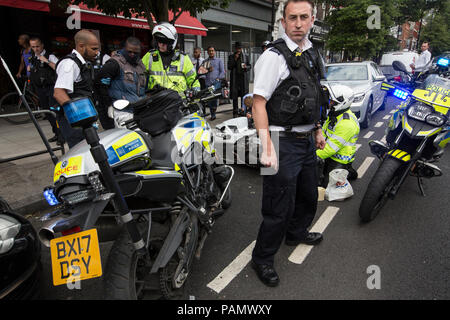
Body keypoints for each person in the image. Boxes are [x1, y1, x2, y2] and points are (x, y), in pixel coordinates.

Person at [250, 0, 327, 287]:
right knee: (277, 207)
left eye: (303, 17)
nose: (297, 23)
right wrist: (266, 146)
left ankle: (296, 233)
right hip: (281, 140)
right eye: (292, 18)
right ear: (283, 22)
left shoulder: (310, 54)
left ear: (312, 20)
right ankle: (262, 258)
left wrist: (317, 130)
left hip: (306, 140)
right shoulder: (273, 56)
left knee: (307, 196)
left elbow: (313, 97)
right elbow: (258, 104)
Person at [53, 29, 100, 148]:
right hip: (74, 122)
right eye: (94, 49)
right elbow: (59, 93)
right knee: (80, 153)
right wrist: (79, 118)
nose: (97, 52)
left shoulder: (82, 63)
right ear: (81, 46)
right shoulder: (69, 64)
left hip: (83, 120)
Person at [95, 37, 147, 126]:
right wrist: (108, 105)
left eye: (135, 52)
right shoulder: (114, 63)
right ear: (124, 49)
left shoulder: (140, 65)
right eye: (129, 51)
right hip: (121, 112)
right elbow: (99, 85)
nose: (132, 54)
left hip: (138, 111)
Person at [316, 83, 360, 187]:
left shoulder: (346, 123)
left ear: (342, 103)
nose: (329, 103)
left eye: (332, 101)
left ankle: (348, 171)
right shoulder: (335, 114)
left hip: (339, 159)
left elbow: (331, 148)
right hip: (328, 154)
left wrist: (311, 156)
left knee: (327, 185)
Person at [142, 22, 200, 95]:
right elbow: (139, 75)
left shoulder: (183, 58)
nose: (161, 45)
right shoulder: (149, 56)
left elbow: (193, 80)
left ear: (172, 43)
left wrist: (196, 91)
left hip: (178, 103)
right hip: (156, 101)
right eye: (159, 41)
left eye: (164, 42)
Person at [28, 37, 63, 144]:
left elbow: (59, 68)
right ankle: (56, 133)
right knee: (47, 112)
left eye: (37, 46)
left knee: (55, 112)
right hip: (40, 89)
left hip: (51, 87)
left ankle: (62, 135)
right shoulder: (33, 57)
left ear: (42, 45)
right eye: (33, 47)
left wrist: (47, 61)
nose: (36, 49)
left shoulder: (50, 56)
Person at [228, 42, 251, 118]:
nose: (238, 50)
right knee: (235, 96)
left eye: (240, 48)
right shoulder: (231, 56)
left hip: (243, 79)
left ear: (242, 48)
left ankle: (243, 110)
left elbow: (249, 66)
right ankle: (235, 111)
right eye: (237, 48)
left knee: (243, 95)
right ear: (235, 48)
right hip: (235, 79)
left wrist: (246, 67)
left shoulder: (246, 56)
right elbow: (229, 67)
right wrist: (235, 59)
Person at [203, 46, 225, 120]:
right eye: (210, 51)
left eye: (212, 50)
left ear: (214, 52)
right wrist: (207, 70)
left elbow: (222, 71)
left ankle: (213, 113)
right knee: (209, 99)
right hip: (208, 83)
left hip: (216, 82)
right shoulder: (205, 61)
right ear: (207, 52)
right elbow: (203, 71)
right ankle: (212, 114)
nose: (211, 52)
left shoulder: (219, 60)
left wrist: (218, 78)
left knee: (214, 99)